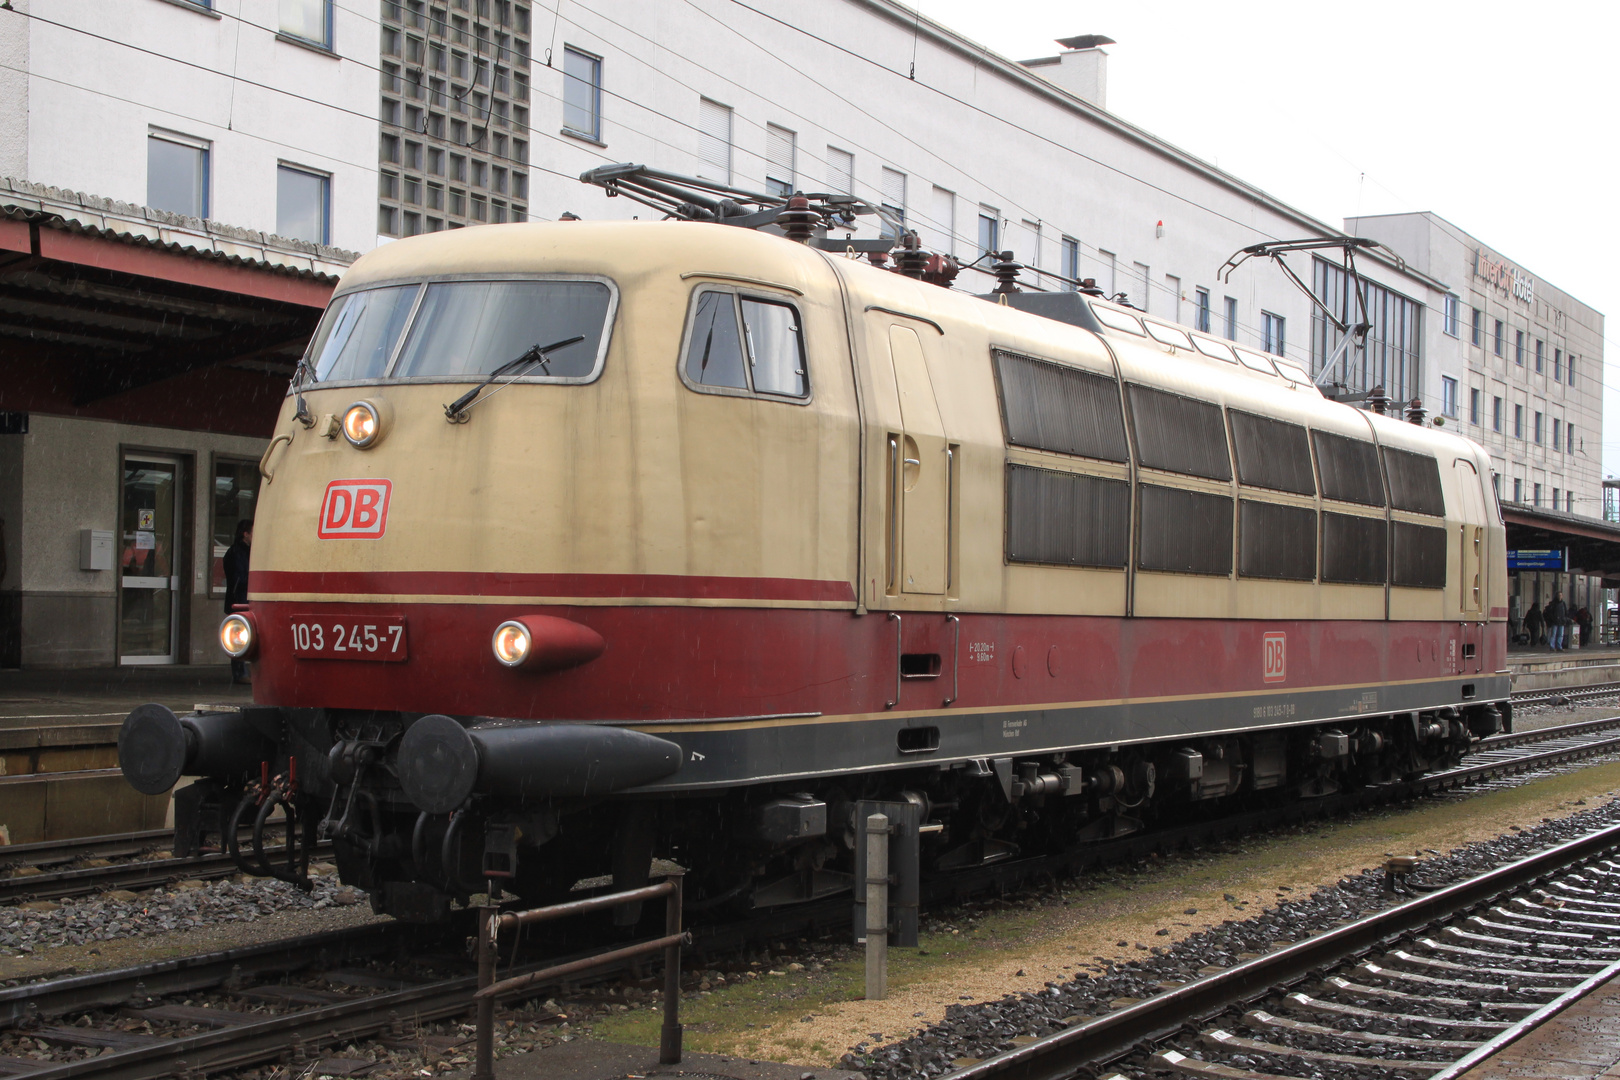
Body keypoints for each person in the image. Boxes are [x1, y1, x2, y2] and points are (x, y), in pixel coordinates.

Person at [223, 519, 252, 684]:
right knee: (238, 637)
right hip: (239, 599)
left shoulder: (244, 551)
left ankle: (242, 672)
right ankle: (239, 673)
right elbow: (239, 577)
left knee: (242, 636)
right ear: (245, 534)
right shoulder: (236, 552)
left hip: (242, 598)